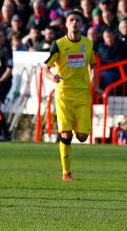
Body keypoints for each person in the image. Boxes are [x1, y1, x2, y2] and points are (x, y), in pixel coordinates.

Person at [41, 10, 102, 182]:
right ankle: (66, 172)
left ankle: (74, 125)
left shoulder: (89, 44)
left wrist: (95, 86)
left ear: (82, 25)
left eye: (78, 20)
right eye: (71, 20)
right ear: (67, 24)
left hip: (83, 95)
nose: (74, 22)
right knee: (66, 135)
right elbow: (45, 68)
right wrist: (53, 76)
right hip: (64, 95)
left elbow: (92, 66)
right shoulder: (59, 44)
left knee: (82, 137)